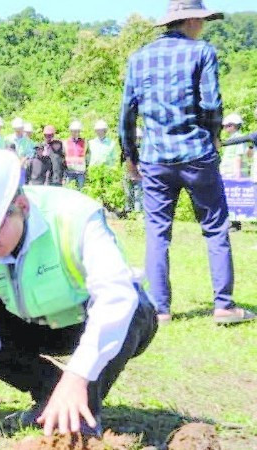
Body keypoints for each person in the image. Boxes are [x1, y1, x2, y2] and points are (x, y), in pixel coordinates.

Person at [0, 144, 156, 448]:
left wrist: (77, 375)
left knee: (133, 304)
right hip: (31, 326)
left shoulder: (75, 216)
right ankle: (51, 391)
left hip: (84, 323)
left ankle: (82, 409)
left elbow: (116, 296)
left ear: (21, 207)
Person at [119, 0, 255, 324]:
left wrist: (130, 156)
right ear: (192, 21)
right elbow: (211, 102)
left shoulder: (138, 59)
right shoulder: (202, 52)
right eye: (202, 21)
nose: (203, 27)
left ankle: (160, 309)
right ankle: (223, 306)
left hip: (154, 158)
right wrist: (214, 137)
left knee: (157, 231)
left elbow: (127, 112)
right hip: (197, 153)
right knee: (215, 227)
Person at [123, 128, 144, 215]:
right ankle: (128, 212)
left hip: (139, 175)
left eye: (138, 138)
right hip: (128, 174)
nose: (137, 140)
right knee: (128, 194)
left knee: (138, 195)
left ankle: (137, 213)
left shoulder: (143, 149)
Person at [64, 120, 87, 188]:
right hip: (69, 172)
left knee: (81, 191)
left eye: (77, 131)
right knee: (68, 191)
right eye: (74, 131)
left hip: (81, 172)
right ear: (70, 131)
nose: (76, 133)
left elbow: (87, 156)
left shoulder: (84, 142)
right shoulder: (65, 142)